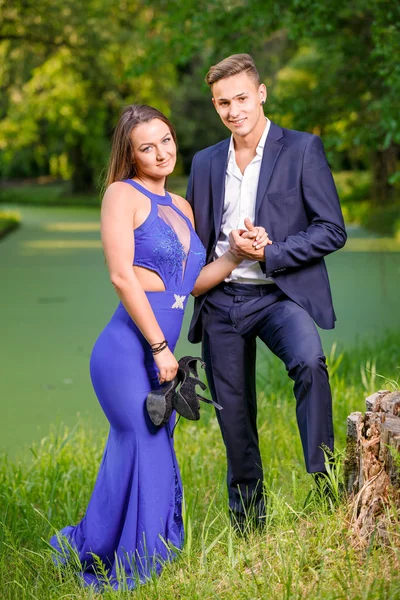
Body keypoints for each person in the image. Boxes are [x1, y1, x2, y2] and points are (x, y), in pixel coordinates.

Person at [50, 104, 270, 590]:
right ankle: (143, 569)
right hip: (127, 351)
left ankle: (94, 545)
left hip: (161, 358)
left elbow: (192, 284)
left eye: (166, 140)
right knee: (147, 445)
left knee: (135, 449)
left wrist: (236, 252)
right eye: (147, 147)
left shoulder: (181, 207)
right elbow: (122, 276)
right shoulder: (120, 195)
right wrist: (157, 347)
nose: (161, 152)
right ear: (130, 155)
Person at [186, 54, 347, 529]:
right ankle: (249, 522)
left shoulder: (302, 149)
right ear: (215, 106)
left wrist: (270, 251)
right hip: (221, 301)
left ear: (260, 93)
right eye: (223, 103)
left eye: (241, 98)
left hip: (280, 294)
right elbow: (196, 241)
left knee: (310, 364)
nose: (234, 110)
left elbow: (331, 230)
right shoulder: (205, 161)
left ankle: (328, 487)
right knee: (233, 411)